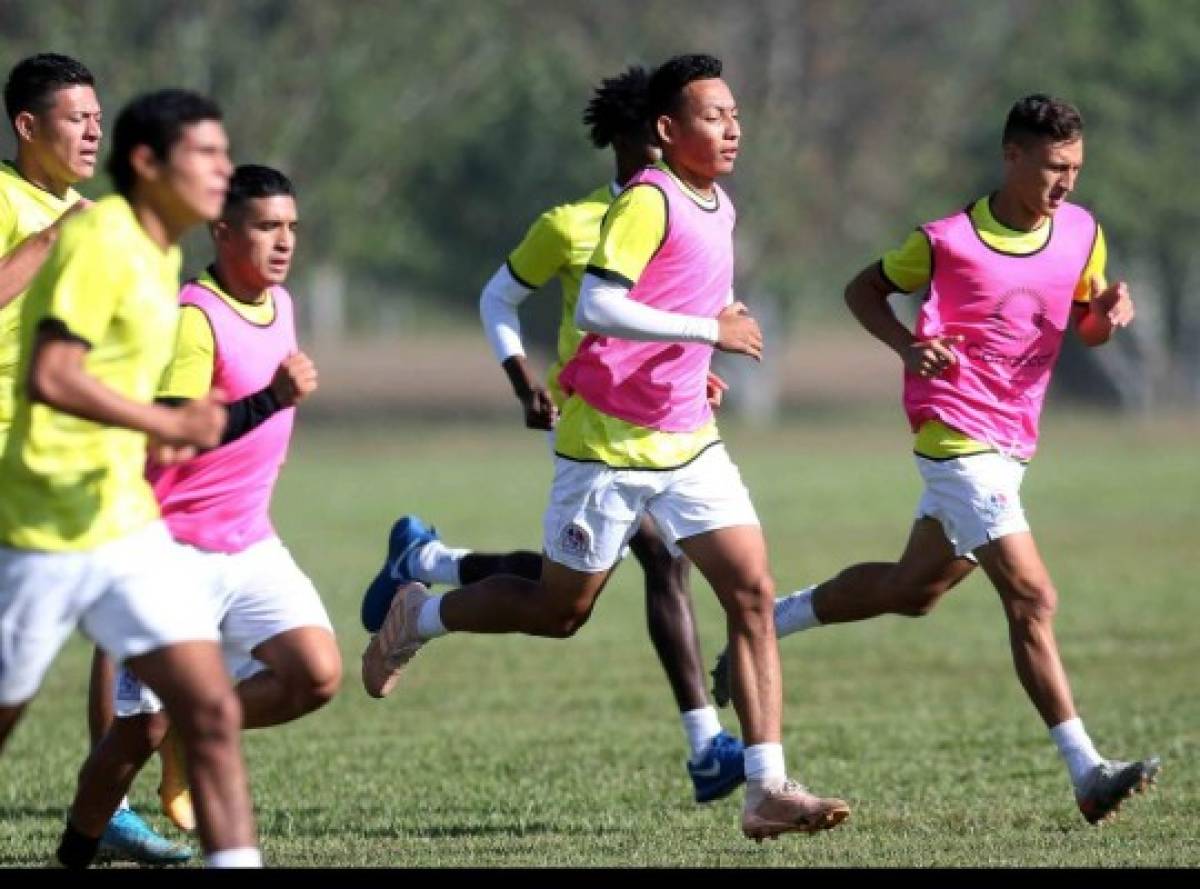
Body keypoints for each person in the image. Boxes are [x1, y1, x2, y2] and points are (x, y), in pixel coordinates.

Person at [362, 54, 850, 842]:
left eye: (734, 114)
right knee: (561, 612)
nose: (732, 127)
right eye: (713, 116)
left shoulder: (717, 203)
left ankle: (764, 787)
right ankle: (425, 612)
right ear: (666, 130)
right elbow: (597, 303)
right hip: (605, 452)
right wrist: (707, 333)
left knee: (752, 593)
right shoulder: (645, 202)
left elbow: (686, 295)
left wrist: (698, 359)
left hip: (689, 442)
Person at [710, 94, 1159, 825]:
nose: (1066, 183)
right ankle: (1088, 771)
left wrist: (1104, 320)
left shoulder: (1082, 232)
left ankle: (769, 627)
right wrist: (907, 344)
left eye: (1075, 168)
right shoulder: (947, 240)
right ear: (1012, 156)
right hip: (956, 440)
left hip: (1013, 443)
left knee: (912, 588)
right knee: (1034, 597)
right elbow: (862, 289)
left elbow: (1085, 323)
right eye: (1053, 166)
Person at [0, 87, 263, 868]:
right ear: (149, 164)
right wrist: (170, 423)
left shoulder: (160, 252)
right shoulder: (100, 239)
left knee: (208, 709)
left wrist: (167, 425)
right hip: (48, 521)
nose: (223, 169)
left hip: (125, 520)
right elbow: (51, 373)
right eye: (205, 155)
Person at [65, 164, 342, 846]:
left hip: (249, 543)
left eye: (291, 228)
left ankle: (195, 728)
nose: (284, 243)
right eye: (266, 226)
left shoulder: (283, 304)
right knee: (137, 733)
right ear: (222, 231)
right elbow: (171, 434)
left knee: (315, 674)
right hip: (172, 551)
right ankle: (77, 846)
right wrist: (271, 400)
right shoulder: (193, 317)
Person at [0, 52, 189, 864]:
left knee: (122, 620)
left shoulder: (96, 215)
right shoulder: (12, 201)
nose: (93, 131)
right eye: (77, 118)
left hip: (86, 450)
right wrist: (52, 239)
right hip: (11, 447)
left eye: (98, 118)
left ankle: (103, 800)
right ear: (27, 126)